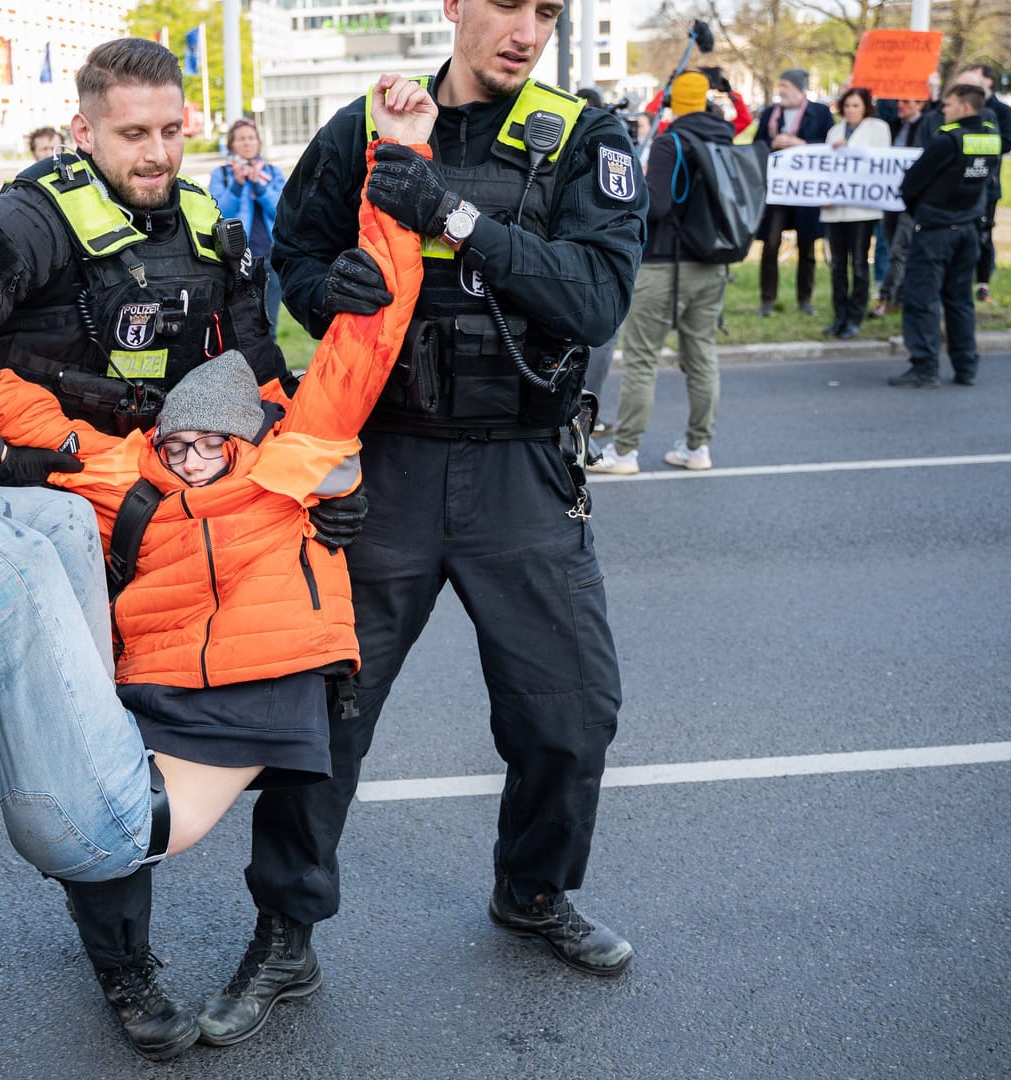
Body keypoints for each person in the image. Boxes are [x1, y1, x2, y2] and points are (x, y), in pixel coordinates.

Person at [0, 135, 422, 1058]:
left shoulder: (289, 463)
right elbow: (12, 404)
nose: (194, 455)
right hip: (156, 685)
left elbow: (362, 348)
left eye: (214, 444)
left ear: (245, 440)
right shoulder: (124, 469)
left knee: (135, 828)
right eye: (181, 441)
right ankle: (124, 967)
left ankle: (282, 945)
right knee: (100, 820)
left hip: (266, 682)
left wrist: (391, 193)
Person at [0, 37, 318, 1059]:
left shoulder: (206, 227)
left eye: (173, 130)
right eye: (134, 134)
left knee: (282, 693)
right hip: (57, 532)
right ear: (84, 130)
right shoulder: (29, 220)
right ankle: (124, 969)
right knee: (90, 742)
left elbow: (256, 365)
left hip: (171, 521)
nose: (158, 153)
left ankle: (275, 929)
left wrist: (309, 472)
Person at [255, 0, 646, 1045]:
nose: (525, 29)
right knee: (324, 714)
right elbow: (289, 253)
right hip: (383, 469)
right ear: (454, 7)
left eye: (548, 10)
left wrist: (458, 218)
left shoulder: (585, 136)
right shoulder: (371, 124)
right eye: (506, 5)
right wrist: (319, 287)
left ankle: (532, 890)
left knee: (571, 715)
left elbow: (599, 300)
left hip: (521, 467)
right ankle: (284, 931)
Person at [593, 71, 732, 476]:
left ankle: (626, 452)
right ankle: (698, 447)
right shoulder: (723, 137)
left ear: (675, 102)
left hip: (664, 264)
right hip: (712, 263)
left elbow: (656, 206)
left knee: (641, 360)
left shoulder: (672, 140)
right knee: (702, 355)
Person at [889, 84, 1001, 388]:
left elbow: (912, 183)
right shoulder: (990, 139)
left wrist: (918, 207)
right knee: (960, 300)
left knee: (922, 298)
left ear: (965, 108)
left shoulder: (947, 140)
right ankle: (966, 367)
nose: (943, 110)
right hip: (967, 230)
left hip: (936, 230)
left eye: (949, 105)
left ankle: (925, 367)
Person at [753, 69, 833, 316]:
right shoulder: (770, 114)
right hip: (777, 191)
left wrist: (803, 145)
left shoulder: (819, 113)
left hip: (805, 191)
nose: (781, 90)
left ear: (799, 88)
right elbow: (756, 146)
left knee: (807, 245)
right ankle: (767, 300)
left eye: (785, 85)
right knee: (771, 244)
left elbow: (831, 146)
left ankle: (805, 300)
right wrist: (771, 145)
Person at [820, 88, 889, 340]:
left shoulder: (877, 128)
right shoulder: (834, 131)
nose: (850, 110)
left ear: (865, 107)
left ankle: (855, 317)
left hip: (861, 209)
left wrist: (850, 149)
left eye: (855, 106)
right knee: (837, 264)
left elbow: (879, 161)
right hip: (834, 209)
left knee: (859, 263)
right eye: (847, 106)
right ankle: (839, 315)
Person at [209, 118, 288, 332]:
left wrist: (260, 188)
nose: (247, 143)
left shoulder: (271, 173)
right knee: (237, 325)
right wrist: (237, 184)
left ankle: (266, 365)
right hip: (237, 260)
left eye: (251, 138)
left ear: (258, 142)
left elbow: (283, 210)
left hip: (270, 258)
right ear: (232, 144)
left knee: (268, 322)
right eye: (241, 139)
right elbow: (218, 212)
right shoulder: (223, 174)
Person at [943, 67, 1011, 302]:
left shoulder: (993, 115)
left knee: (982, 236)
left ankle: (982, 283)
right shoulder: (947, 119)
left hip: (983, 187)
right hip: (954, 190)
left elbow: (1001, 145)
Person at [872, 96, 932, 320]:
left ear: (920, 104)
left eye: (907, 102)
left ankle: (888, 299)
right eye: (899, 101)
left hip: (910, 202)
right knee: (891, 247)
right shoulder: (894, 126)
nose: (900, 105)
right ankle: (900, 296)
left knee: (900, 249)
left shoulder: (926, 126)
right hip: (890, 200)